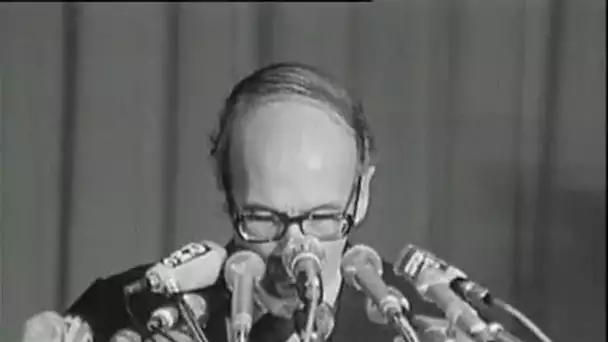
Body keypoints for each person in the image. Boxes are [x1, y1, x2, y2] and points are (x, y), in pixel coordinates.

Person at [36, 62, 458, 342]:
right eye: (263, 219)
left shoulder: (428, 323)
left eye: (324, 217)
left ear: (361, 193)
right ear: (228, 194)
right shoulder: (128, 309)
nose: (296, 250)